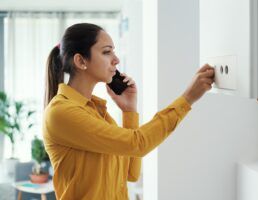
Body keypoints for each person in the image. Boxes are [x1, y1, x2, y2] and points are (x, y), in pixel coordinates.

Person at [43, 23, 214, 200]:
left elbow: (131, 173)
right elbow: (137, 144)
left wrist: (129, 111)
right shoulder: (61, 112)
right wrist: (187, 99)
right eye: (107, 52)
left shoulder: (97, 112)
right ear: (81, 61)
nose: (116, 59)